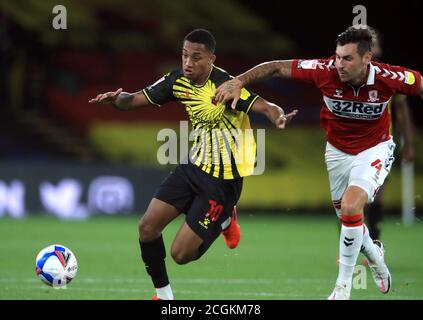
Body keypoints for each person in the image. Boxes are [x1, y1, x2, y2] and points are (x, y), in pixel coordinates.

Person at [215, 26, 423, 300]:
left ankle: (342, 289)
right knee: (348, 218)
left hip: (375, 149)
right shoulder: (324, 70)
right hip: (336, 152)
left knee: (351, 207)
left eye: (347, 58)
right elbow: (277, 67)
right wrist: (239, 81)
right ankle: (376, 256)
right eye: (337, 56)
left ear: (367, 59)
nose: (339, 64)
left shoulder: (390, 77)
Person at [89, 29, 297, 300]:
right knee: (147, 228)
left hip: (222, 182)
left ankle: (224, 217)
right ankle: (164, 297)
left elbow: (266, 107)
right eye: (185, 55)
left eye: (196, 57)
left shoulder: (226, 85)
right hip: (193, 168)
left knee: (180, 255)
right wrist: (117, 100)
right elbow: (135, 99)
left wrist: (278, 116)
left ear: (211, 59)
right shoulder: (177, 80)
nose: (188, 62)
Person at [364, 26, 415, 240]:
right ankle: (346, 247)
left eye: (373, 43)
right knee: (345, 198)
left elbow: (402, 111)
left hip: (380, 146)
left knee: (375, 196)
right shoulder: (343, 74)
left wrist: (409, 144)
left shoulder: (391, 77)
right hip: (347, 145)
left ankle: (374, 243)